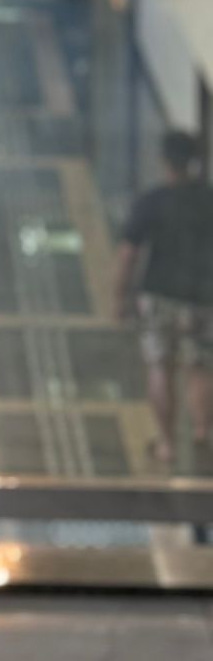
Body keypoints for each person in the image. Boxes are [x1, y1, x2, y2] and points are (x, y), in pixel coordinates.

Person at [115, 130, 213, 467]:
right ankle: (203, 432)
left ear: (164, 161)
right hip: (203, 297)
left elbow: (128, 253)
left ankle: (167, 444)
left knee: (160, 366)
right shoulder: (209, 199)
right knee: (200, 367)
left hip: (159, 296)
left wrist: (119, 296)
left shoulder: (153, 201)